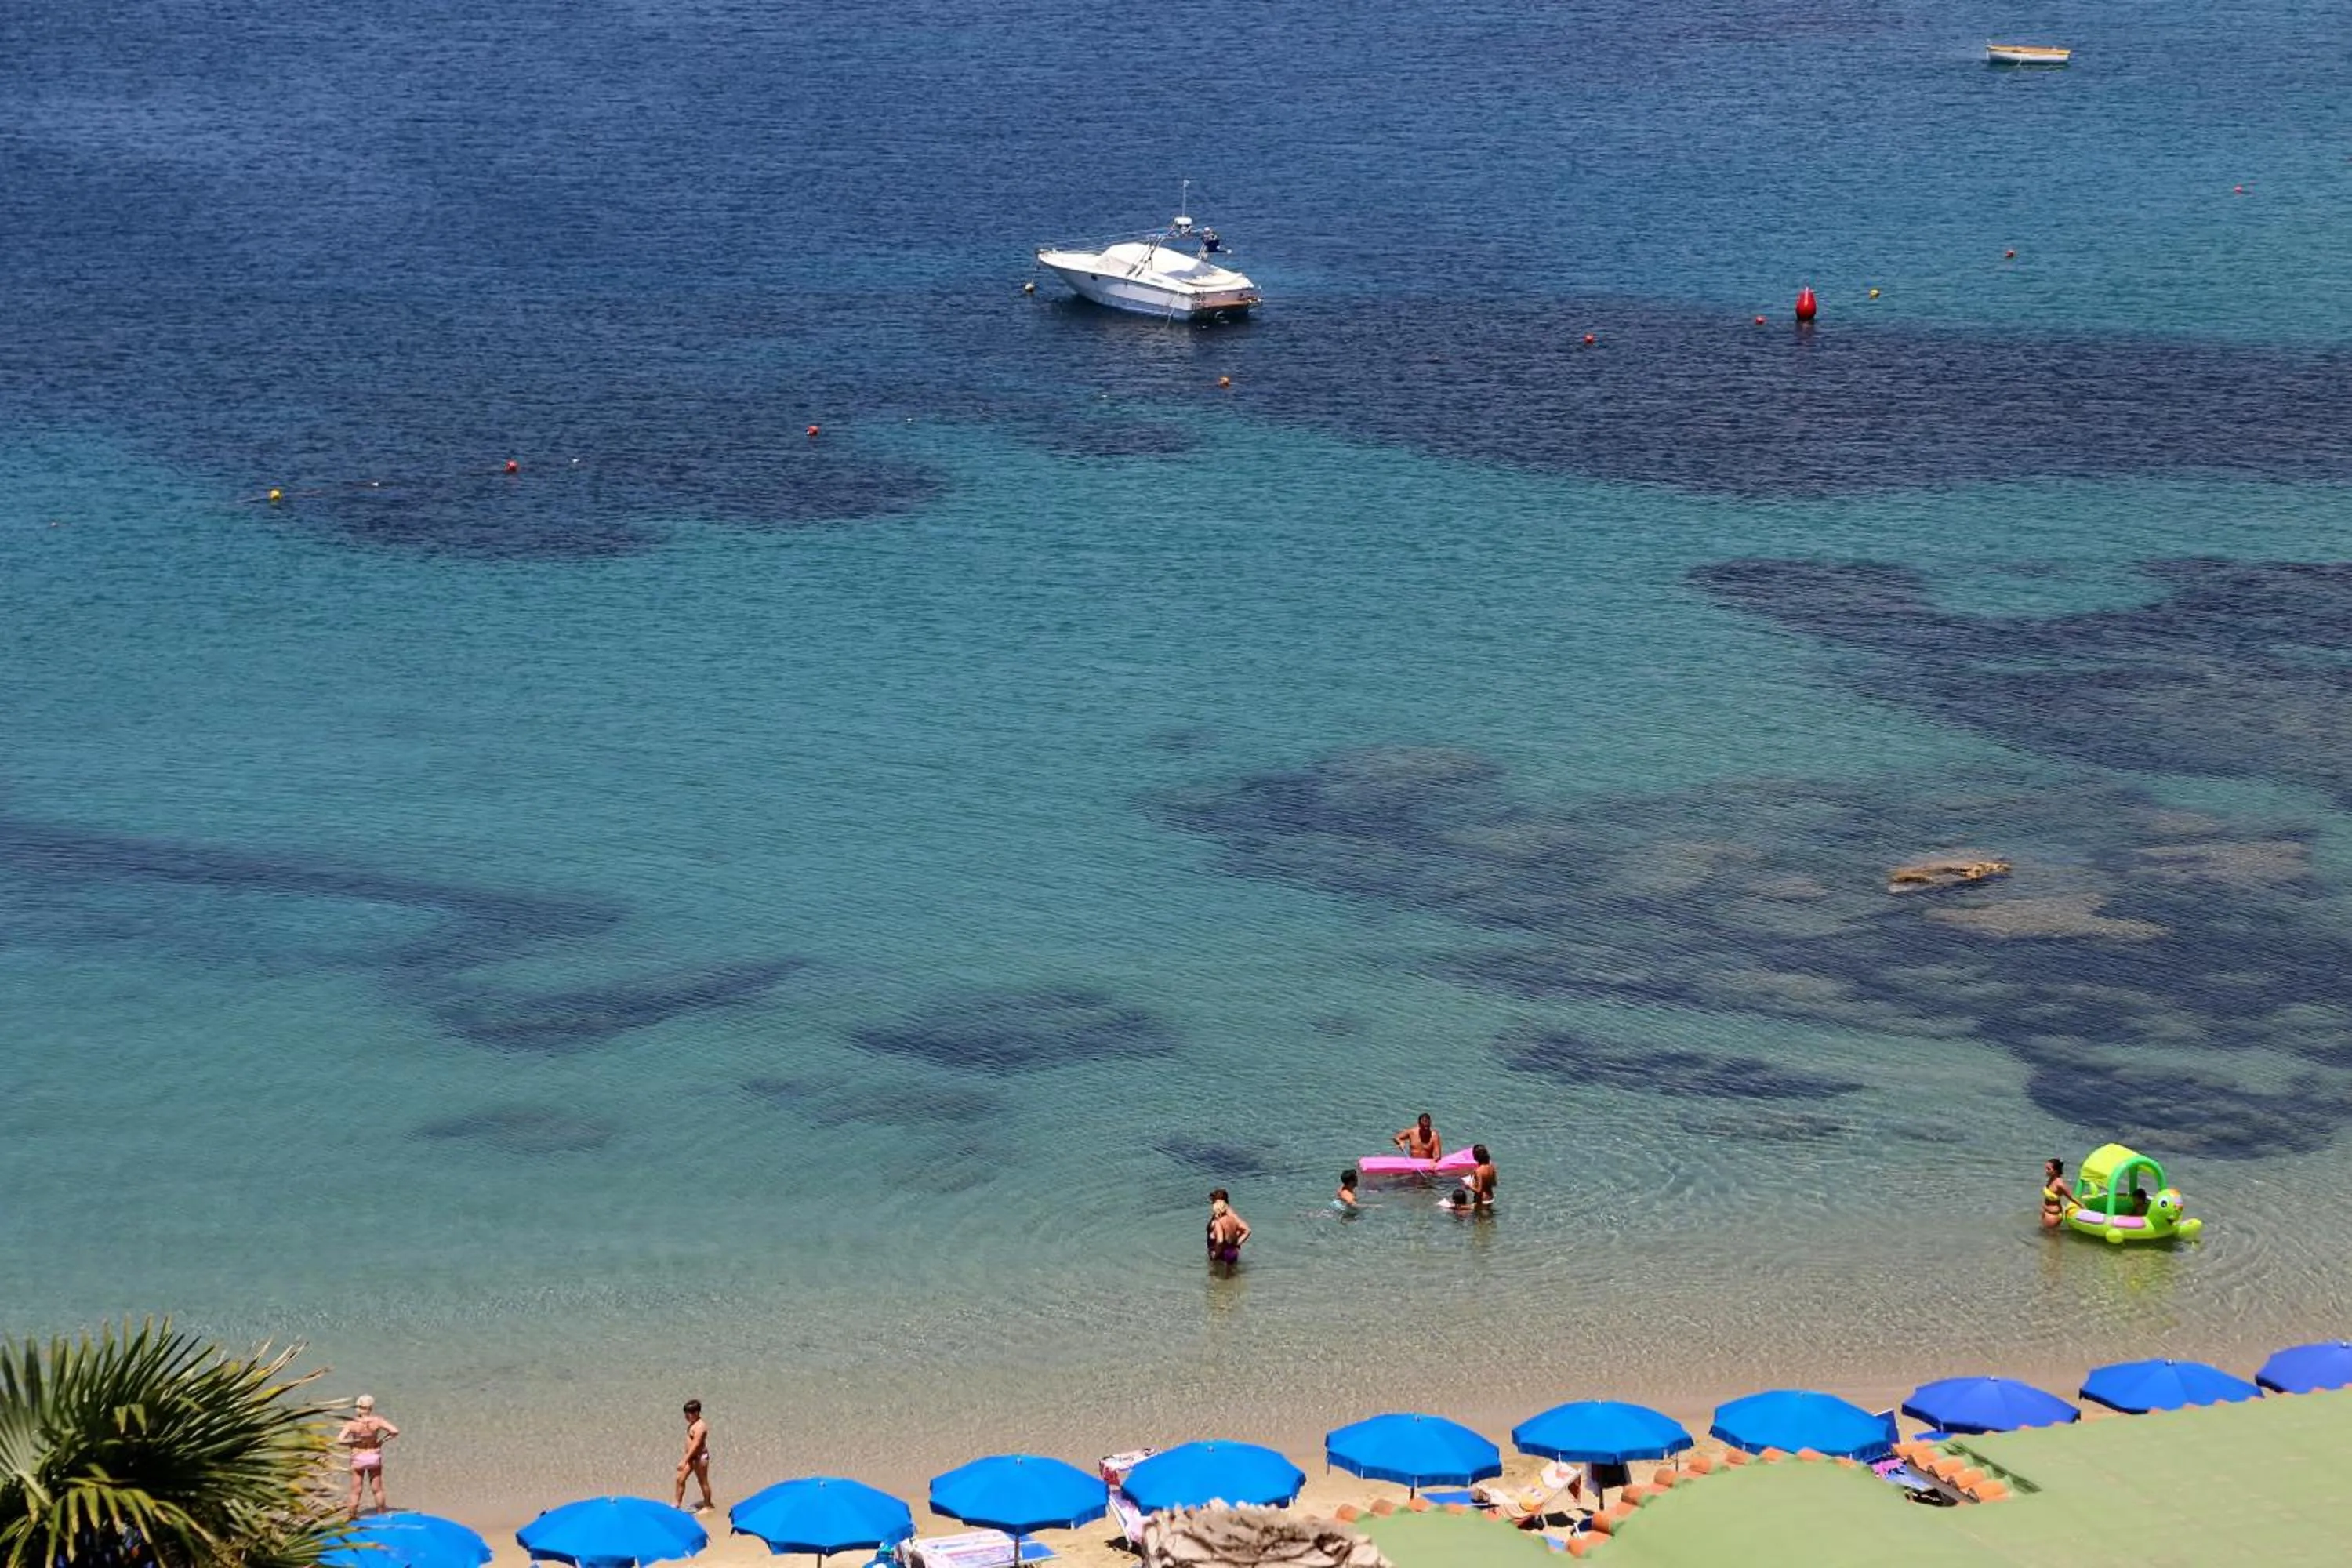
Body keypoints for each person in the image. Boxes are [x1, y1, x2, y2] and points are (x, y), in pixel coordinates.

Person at [336, 1396, 398, 1518]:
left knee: (356, 1491)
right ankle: (381, 1514)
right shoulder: (377, 1421)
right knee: (377, 1489)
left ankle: (352, 1517)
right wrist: (382, 1441)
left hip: (358, 1457)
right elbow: (395, 1431)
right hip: (373, 1456)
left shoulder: (352, 1423)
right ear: (371, 1408)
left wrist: (353, 1443)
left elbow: (339, 1440)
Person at [675, 1399, 713, 1512]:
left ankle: (708, 1505)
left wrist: (684, 1460)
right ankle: (677, 1504)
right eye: (685, 1414)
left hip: (700, 1458)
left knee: (702, 1482)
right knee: (680, 1479)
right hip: (691, 1458)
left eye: (688, 1414)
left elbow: (696, 1445)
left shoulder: (701, 1426)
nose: (686, 1417)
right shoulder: (693, 1424)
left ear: (696, 1413)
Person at [1207, 1189, 1250, 1276]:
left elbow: (1247, 1229)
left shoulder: (1229, 1214)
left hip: (1221, 1253)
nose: (1212, 1203)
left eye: (1213, 1200)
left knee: (1222, 1279)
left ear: (1220, 1201)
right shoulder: (1220, 1213)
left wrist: (1235, 1244)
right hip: (1223, 1252)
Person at [2040, 1158, 2072, 1229]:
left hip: (2053, 1215)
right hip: (2046, 1212)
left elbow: (2071, 1198)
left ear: (2055, 1171)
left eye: (2048, 1169)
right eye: (2046, 1168)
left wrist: (2082, 1207)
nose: (2046, 1171)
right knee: (2045, 1237)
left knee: (2052, 1238)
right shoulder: (2051, 1179)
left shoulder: (2060, 1184)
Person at [1468, 1144, 1497, 1210]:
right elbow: (1494, 1184)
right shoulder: (1491, 1167)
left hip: (1482, 1201)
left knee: (1480, 1219)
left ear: (1475, 1156)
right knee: (1489, 1218)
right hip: (1491, 1198)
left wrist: (1469, 1186)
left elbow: (1479, 1191)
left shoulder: (1479, 1171)